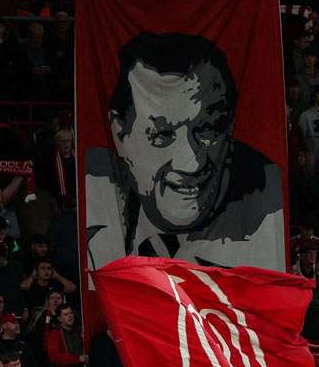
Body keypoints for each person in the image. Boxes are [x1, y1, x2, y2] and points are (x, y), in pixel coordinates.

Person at [84, 32, 284, 269]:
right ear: (119, 133)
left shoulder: (269, 208)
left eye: (208, 129)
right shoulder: (90, 191)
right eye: (163, 135)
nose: (192, 164)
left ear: (230, 127)